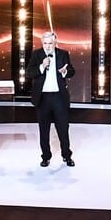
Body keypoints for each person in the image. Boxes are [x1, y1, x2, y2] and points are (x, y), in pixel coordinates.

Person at [25, 32, 76, 167]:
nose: (47, 46)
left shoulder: (63, 54)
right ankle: (45, 157)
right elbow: (29, 72)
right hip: (43, 97)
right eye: (45, 43)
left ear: (55, 43)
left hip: (59, 97)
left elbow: (71, 71)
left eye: (50, 43)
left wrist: (65, 72)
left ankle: (67, 155)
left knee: (63, 128)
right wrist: (42, 66)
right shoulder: (36, 54)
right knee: (44, 129)